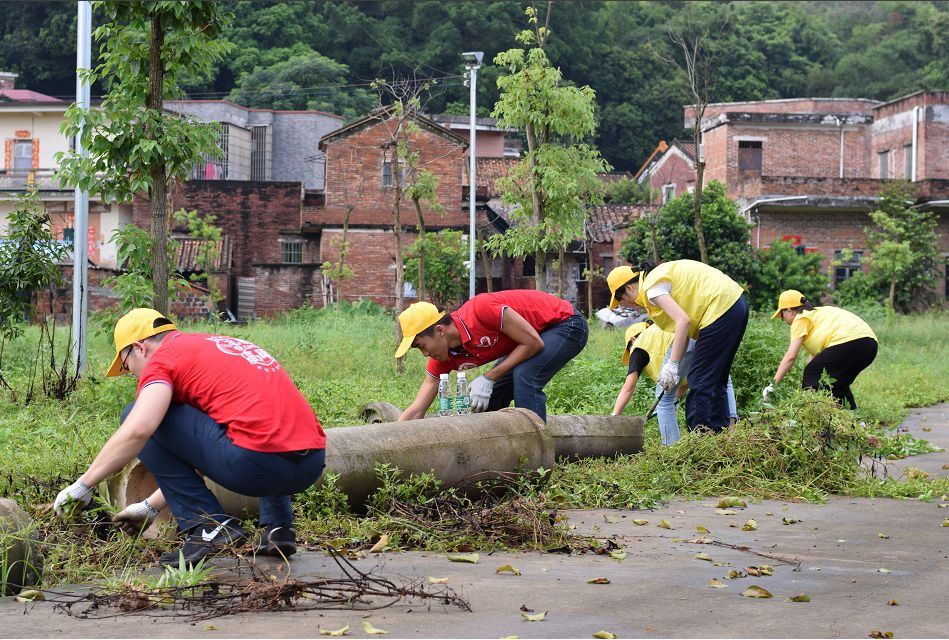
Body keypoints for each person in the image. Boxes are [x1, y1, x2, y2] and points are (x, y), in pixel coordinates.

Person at [54, 308, 326, 566]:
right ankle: (278, 528)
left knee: (134, 414)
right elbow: (204, 449)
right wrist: (151, 507)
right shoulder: (220, 346)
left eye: (126, 366)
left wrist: (83, 486)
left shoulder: (163, 360)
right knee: (258, 422)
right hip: (310, 464)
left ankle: (208, 526)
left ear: (139, 348)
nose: (132, 374)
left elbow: (139, 429)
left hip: (256, 466)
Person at [395, 291, 589, 422]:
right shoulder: (444, 357)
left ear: (440, 330)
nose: (425, 354)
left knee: (524, 374)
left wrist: (489, 376)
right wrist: (389, 437)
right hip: (530, 339)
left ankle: (535, 455)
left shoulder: (481, 309)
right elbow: (417, 410)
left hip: (565, 324)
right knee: (490, 398)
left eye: (421, 346)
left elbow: (533, 343)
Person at [607, 260, 748, 432]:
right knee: (716, 379)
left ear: (629, 288)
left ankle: (702, 439)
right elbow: (685, 332)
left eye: (623, 299)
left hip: (720, 308)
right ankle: (722, 435)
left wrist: (672, 365)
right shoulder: (657, 280)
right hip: (735, 304)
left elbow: (683, 321)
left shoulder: (652, 288)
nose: (628, 304)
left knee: (700, 380)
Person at [611, 321, 738, 444]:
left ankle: (670, 446)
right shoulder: (657, 334)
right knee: (723, 379)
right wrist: (676, 396)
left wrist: (613, 416)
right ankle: (731, 428)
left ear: (632, 340)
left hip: (683, 341)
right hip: (705, 334)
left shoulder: (638, 347)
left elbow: (629, 387)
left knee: (663, 401)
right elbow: (688, 376)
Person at [763, 290, 878, 409]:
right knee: (837, 384)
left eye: (781, 315)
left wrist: (773, 384)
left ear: (789, 310)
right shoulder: (816, 315)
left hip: (850, 341)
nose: (783, 319)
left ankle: (808, 413)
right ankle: (856, 421)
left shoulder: (800, 318)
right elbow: (816, 361)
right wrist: (810, 376)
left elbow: (791, 356)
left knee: (812, 373)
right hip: (869, 345)